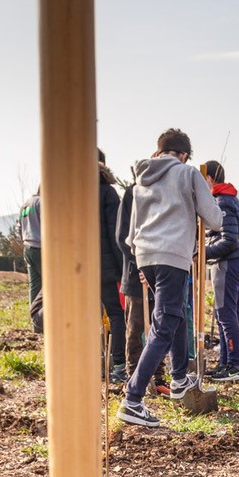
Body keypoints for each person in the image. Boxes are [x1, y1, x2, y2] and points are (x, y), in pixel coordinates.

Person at [117, 128, 222, 429]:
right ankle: (133, 399)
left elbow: (130, 233)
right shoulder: (188, 174)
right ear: (185, 154)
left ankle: (178, 378)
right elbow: (214, 218)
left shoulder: (141, 180)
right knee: (164, 326)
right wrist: (207, 196)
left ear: (159, 151)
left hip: (145, 256)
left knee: (174, 316)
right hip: (172, 256)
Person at [116, 177, 169, 397]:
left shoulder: (166, 195)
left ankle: (158, 377)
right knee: (135, 327)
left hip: (159, 274)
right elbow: (122, 237)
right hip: (135, 274)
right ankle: (133, 377)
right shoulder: (132, 194)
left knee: (158, 328)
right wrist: (140, 265)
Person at [203, 160, 239, 382]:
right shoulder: (226, 199)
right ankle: (224, 362)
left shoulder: (222, 202)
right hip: (227, 262)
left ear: (210, 178)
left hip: (228, 263)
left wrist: (203, 252)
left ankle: (234, 365)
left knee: (226, 314)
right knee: (222, 315)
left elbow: (230, 239)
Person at [98, 156, 126, 381]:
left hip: (80, 268)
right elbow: (116, 234)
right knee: (116, 315)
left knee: (88, 315)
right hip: (107, 267)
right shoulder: (108, 193)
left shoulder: (74, 191)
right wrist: (123, 266)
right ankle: (118, 365)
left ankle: (94, 361)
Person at [19, 189, 42, 332]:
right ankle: (47, 320)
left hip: (28, 247)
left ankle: (36, 325)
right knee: (50, 287)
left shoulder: (26, 204)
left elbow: (18, 227)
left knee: (34, 286)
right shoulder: (42, 202)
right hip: (41, 248)